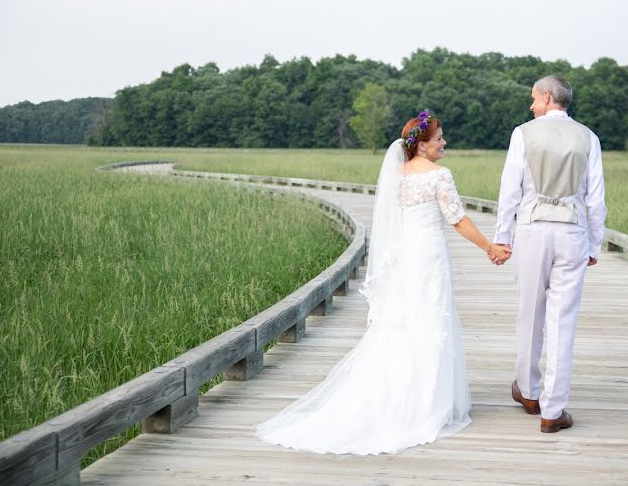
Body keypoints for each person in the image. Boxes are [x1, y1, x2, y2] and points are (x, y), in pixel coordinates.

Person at [257, 110, 511, 454]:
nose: (444, 143)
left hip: (404, 258)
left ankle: (400, 393)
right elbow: (458, 219)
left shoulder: (397, 176)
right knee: (431, 318)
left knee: (403, 321)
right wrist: (489, 247)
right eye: (438, 139)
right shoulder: (439, 175)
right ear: (421, 146)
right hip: (429, 256)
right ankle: (424, 402)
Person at [492, 76, 606, 433]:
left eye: (533, 99)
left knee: (530, 311)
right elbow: (595, 199)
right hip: (572, 232)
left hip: (531, 230)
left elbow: (510, 189)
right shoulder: (589, 137)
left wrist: (502, 236)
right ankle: (552, 411)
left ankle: (528, 391)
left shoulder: (522, 134)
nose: (531, 105)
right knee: (563, 320)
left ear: (546, 97)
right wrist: (594, 243)